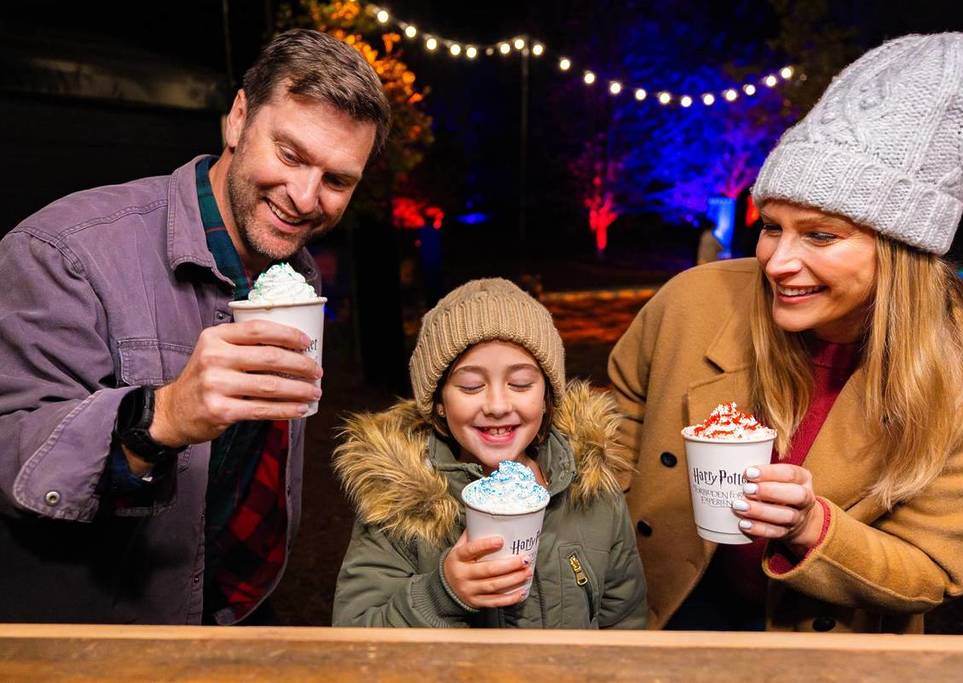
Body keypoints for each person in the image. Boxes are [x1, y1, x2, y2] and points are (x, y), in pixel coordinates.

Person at [608, 32, 963, 633]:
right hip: (657, 615)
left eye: (820, 235)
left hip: (818, 645)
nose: (777, 262)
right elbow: (615, 441)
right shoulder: (691, 302)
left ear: (903, 248)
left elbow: (930, 569)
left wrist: (812, 527)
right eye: (772, 226)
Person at [0, 29, 390, 624]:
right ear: (237, 119)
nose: (306, 197)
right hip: (102, 635)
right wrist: (161, 417)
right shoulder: (63, 252)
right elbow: (10, 452)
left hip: (235, 613)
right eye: (290, 154)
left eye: (336, 180)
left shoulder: (296, 274)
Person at [332, 278, 647, 628]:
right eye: (471, 386)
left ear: (546, 397)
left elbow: (624, 621)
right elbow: (357, 631)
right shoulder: (398, 505)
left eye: (521, 384)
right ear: (438, 402)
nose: (497, 405)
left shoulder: (591, 490)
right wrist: (442, 594)